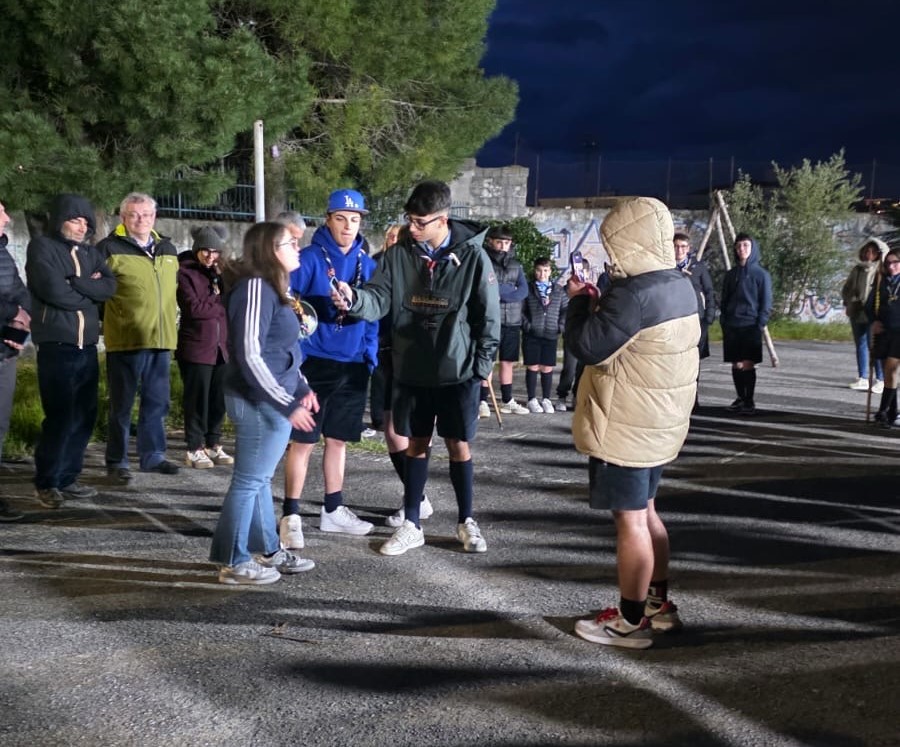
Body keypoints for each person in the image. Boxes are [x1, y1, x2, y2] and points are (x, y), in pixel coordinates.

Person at [332, 179, 500, 556]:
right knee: (416, 444)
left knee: (458, 444)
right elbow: (378, 298)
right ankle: (412, 524)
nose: (413, 227)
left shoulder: (474, 257)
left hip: (457, 371)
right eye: (410, 219)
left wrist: (481, 367)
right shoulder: (399, 255)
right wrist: (353, 299)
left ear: (442, 220)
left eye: (421, 222)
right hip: (412, 369)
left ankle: (466, 520)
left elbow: (488, 317)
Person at [565, 196, 699, 649]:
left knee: (631, 522)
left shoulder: (633, 295)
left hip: (626, 423)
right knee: (648, 512)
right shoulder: (680, 284)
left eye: (613, 244)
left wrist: (580, 304)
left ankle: (629, 621)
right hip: (660, 423)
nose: (610, 254)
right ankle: (658, 605)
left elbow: (587, 346)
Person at [209, 221, 318, 584]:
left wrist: (301, 387)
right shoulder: (255, 286)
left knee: (258, 480)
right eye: (290, 243)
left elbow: (281, 349)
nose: (298, 248)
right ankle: (233, 561)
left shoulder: (274, 286)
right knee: (248, 481)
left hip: (272, 397)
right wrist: (288, 403)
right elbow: (250, 354)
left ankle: (268, 550)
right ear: (271, 250)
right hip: (257, 399)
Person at [279, 189, 379, 550]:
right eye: (341, 219)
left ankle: (333, 509)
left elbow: (374, 313)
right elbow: (287, 305)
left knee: (338, 440)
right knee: (303, 441)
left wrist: (369, 355)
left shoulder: (368, 264)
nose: (348, 226)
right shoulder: (308, 258)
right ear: (328, 219)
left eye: (354, 220)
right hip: (315, 363)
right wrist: (296, 358)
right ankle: (290, 514)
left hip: (353, 363)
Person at [25, 194, 117, 509]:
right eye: (75, 220)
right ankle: (47, 482)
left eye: (85, 222)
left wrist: (76, 283)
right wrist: (89, 291)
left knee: (84, 416)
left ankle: (68, 477)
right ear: (60, 220)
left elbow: (109, 287)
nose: (81, 228)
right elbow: (53, 291)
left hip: (87, 346)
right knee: (60, 416)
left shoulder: (91, 252)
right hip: (57, 346)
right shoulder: (41, 247)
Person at [99, 193, 181, 480]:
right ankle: (117, 461)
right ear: (123, 217)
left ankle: (153, 456)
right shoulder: (108, 248)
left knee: (157, 402)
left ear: (154, 217)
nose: (141, 220)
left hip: (161, 338)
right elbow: (98, 293)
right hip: (126, 340)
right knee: (122, 405)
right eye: (134, 214)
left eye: (146, 214)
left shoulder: (167, 248)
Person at [176, 226, 232, 469]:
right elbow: (194, 309)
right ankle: (194, 447)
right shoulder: (184, 273)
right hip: (196, 347)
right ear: (197, 249)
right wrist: (220, 302)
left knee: (218, 399)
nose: (211, 256)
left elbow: (233, 300)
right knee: (197, 400)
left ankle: (213, 443)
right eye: (206, 251)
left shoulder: (219, 274)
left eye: (215, 251)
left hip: (221, 348)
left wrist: (222, 282)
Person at [0, 199, 31, 521]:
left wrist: (23, 321)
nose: (7, 218)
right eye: (0, 212)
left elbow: (21, 292)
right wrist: (13, 314)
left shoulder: (4, 251)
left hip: (5, 351)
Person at [720, 232, 773, 415]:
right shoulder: (731, 275)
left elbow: (766, 302)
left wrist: (760, 323)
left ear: (752, 248)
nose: (741, 249)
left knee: (748, 364)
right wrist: (724, 321)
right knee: (736, 364)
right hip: (732, 324)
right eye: (738, 246)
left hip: (751, 325)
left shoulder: (761, 275)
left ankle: (749, 401)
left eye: (745, 245)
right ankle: (740, 398)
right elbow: (724, 300)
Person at [478, 224, 529, 417]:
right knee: (488, 361)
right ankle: (482, 400)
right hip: (491, 319)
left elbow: (522, 290)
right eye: (499, 242)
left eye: (506, 243)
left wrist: (503, 293)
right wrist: (507, 290)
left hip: (512, 320)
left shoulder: (516, 264)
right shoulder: (484, 261)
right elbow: (487, 287)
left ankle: (507, 400)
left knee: (508, 361)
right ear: (491, 241)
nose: (503, 246)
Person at [522, 257, 568, 413]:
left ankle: (546, 399)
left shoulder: (558, 290)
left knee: (547, 367)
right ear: (534, 271)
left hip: (550, 333)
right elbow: (520, 310)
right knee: (533, 366)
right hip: (532, 334)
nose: (542, 274)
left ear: (550, 272)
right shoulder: (528, 289)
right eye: (539, 270)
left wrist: (560, 327)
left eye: (546, 270)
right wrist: (528, 326)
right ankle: (531, 399)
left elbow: (565, 310)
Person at [842, 239, 888, 393]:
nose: (869, 254)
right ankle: (863, 378)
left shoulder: (881, 270)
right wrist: (848, 302)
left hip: (873, 314)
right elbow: (847, 288)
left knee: (874, 346)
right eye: (867, 251)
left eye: (873, 252)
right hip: (857, 312)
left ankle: (881, 380)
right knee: (860, 344)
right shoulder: (857, 269)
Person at [867, 249, 900, 427]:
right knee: (888, 373)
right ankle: (892, 412)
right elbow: (870, 305)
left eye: (895, 263)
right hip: (884, 332)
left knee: (891, 369)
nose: (891, 266)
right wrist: (874, 321)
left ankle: (883, 411)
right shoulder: (881, 281)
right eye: (888, 263)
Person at [555, 256, 592, 412]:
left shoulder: (591, 290)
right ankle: (562, 395)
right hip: (571, 334)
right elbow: (562, 309)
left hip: (585, 336)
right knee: (569, 368)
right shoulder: (567, 289)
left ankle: (577, 396)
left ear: (587, 273)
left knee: (582, 370)